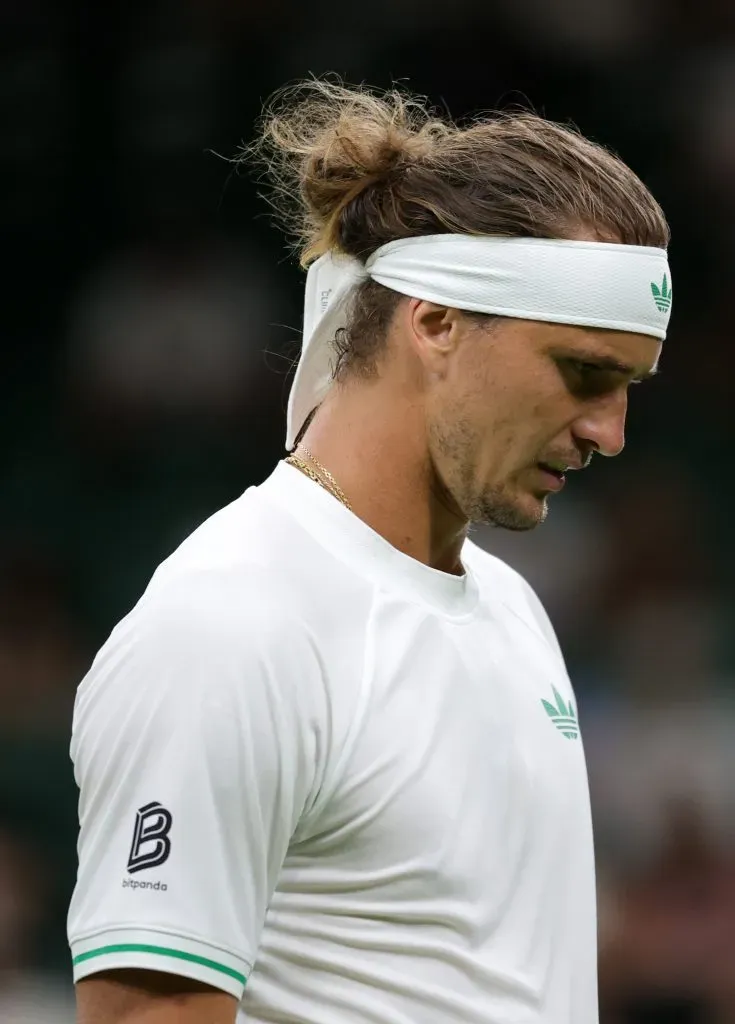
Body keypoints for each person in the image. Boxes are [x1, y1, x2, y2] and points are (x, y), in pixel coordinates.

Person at [67, 80, 672, 1024]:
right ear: (434, 321)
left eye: (630, 385)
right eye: (584, 373)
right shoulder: (232, 624)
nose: (610, 431)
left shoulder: (513, 608)